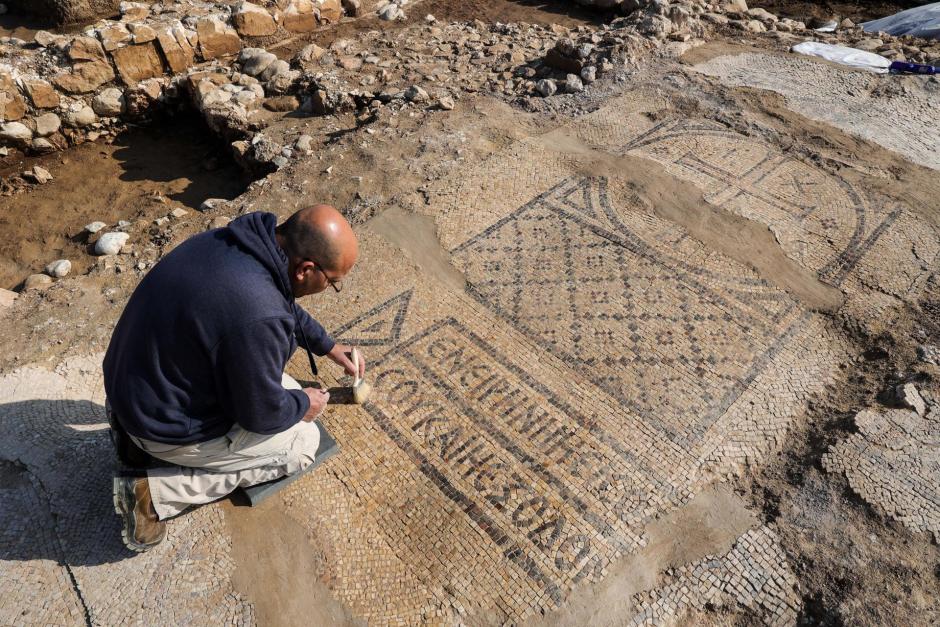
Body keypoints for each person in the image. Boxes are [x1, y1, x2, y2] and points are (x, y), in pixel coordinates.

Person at [103, 205, 364, 552]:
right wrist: (304, 403)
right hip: (159, 420)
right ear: (306, 269)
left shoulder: (240, 243)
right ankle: (152, 495)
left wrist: (327, 345)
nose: (331, 288)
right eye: (333, 283)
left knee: (274, 378)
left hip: (132, 385)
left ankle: (131, 436)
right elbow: (259, 413)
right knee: (301, 443)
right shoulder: (257, 313)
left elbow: (278, 303)